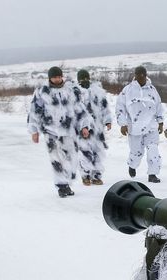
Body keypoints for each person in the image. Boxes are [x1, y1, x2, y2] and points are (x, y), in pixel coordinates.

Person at [27, 66, 92, 198]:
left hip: (68, 131)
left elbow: (80, 109)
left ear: (62, 76)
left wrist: (84, 126)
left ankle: (67, 181)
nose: (57, 79)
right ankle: (62, 186)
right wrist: (34, 131)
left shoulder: (71, 91)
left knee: (71, 159)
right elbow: (34, 111)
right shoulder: (42, 91)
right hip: (50, 131)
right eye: (54, 77)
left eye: (59, 76)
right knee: (56, 160)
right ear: (50, 78)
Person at [115, 66, 164, 183]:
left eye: (143, 74)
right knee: (136, 152)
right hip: (135, 127)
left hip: (151, 126)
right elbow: (120, 108)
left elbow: (158, 106)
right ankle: (132, 165)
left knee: (153, 150)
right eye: (139, 74)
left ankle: (152, 174)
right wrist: (123, 124)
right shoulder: (128, 90)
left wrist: (160, 122)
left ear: (146, 75)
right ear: (135, 75)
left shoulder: (152, 90)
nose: (141, 77)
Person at [75, 69, 112, 186]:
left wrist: (108, 121)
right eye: (82, 79)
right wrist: (82, 126)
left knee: (98, 151)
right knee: (85, 151)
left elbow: (105, 107)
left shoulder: (98, 92)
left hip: (97, 127)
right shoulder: (75, 93)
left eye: (86, 78)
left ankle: (96, 176)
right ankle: (85, 175)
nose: (84, 81)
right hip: (82, 128)